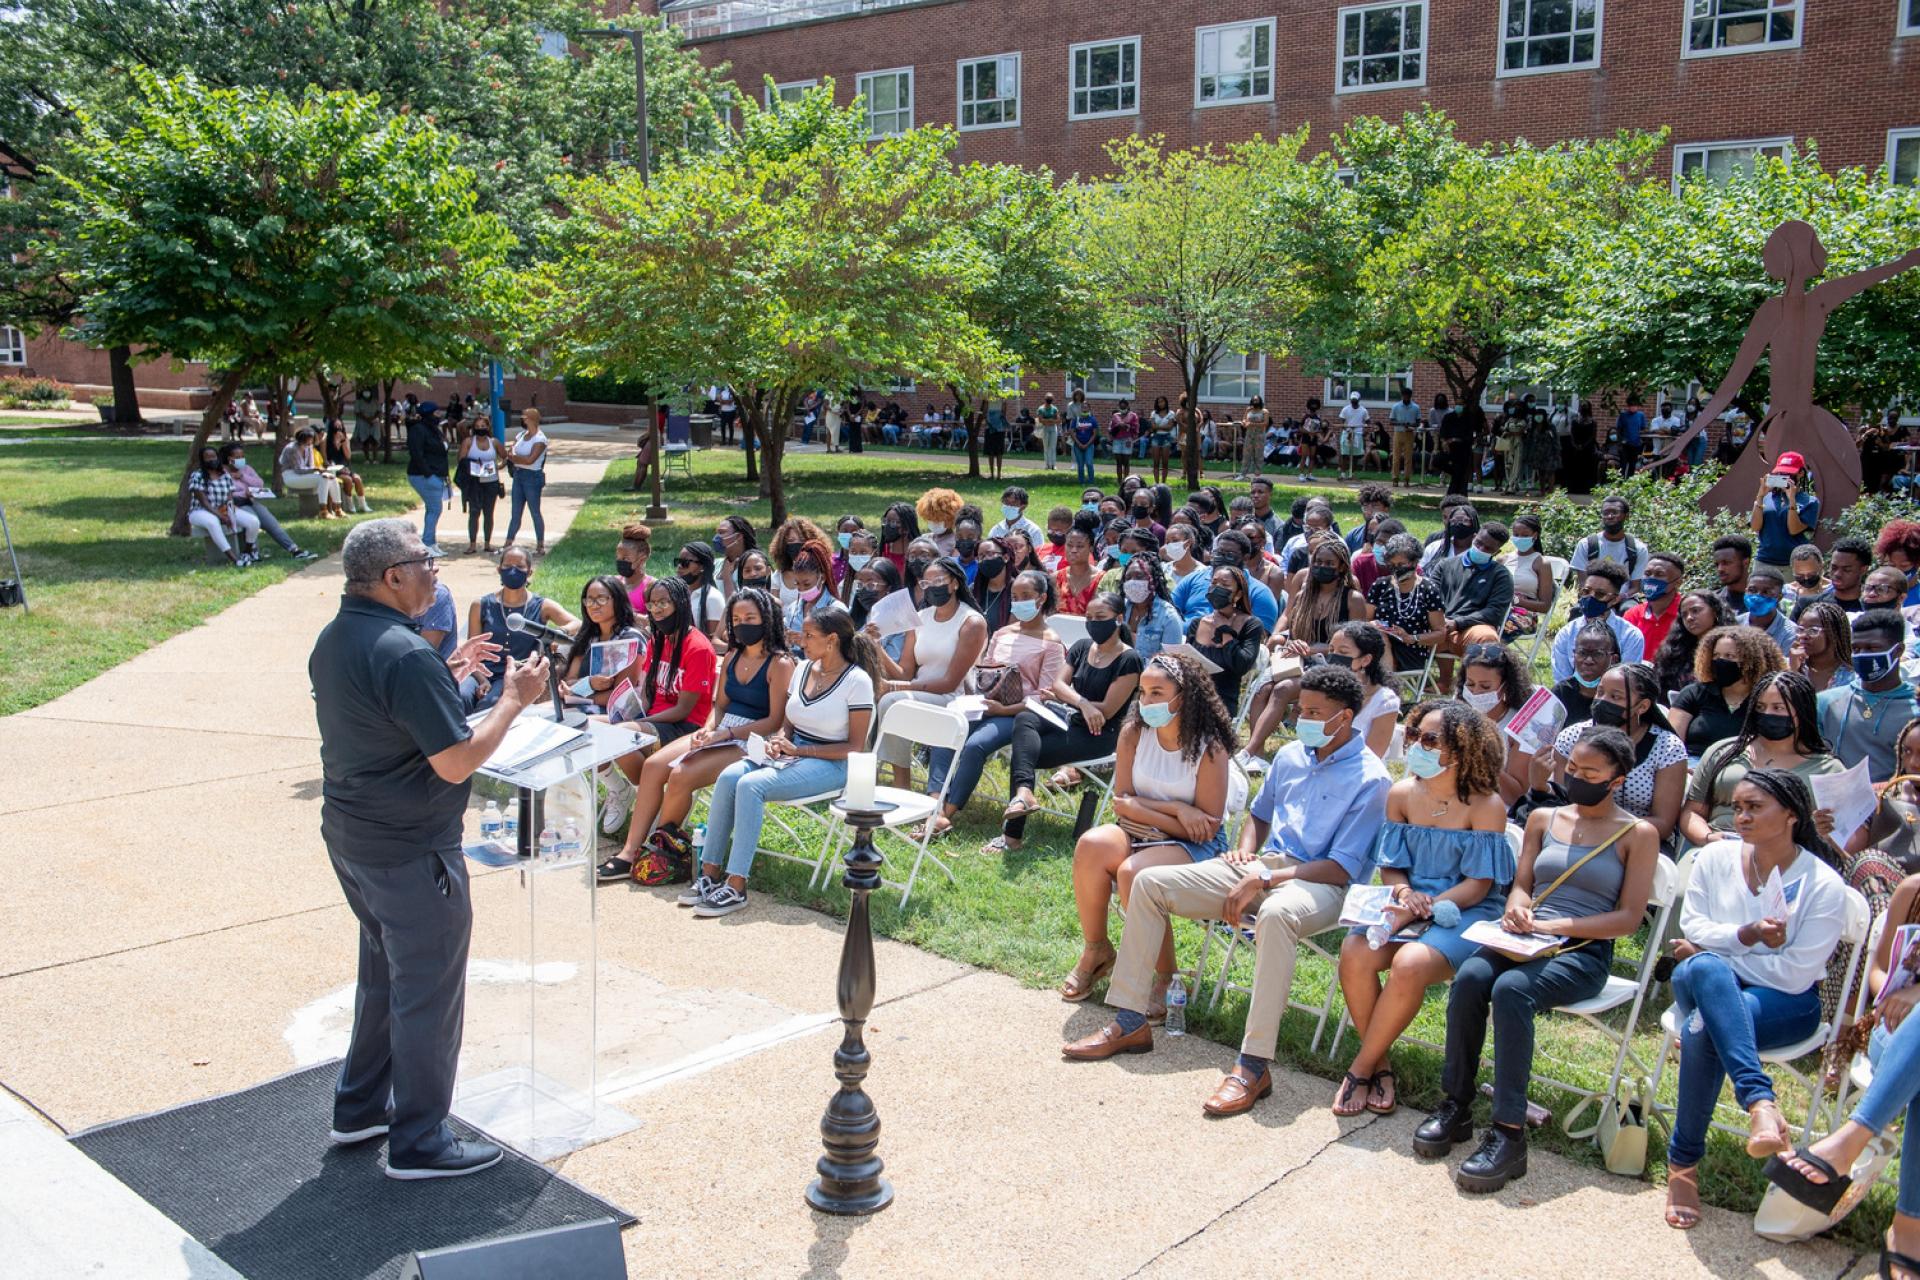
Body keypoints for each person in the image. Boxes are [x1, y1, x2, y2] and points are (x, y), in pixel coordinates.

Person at [310, 518, 548, 1180]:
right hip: (411, 847)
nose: (437, 571)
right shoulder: (405, 655)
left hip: (356, 837)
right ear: (392, 577)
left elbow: (381, 714)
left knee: (386, 974)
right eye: (427, 561)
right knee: (427, 990)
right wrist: (511, 699)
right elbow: (456, 761)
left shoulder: (340, 638)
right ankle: (419, 1140)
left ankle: (360, 1108)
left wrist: (442, 677)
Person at [1064, 665, 1390, 1120]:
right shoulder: (1292, 756)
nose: (1303, 719)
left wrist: (1268, 879)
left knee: (1277, 915)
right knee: (1148, 882)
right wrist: (1244, 855)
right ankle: (1132, 1020)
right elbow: (1259, 815)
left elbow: (1342, 866)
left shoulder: (1372, 779)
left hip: (1322, 884)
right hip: (1261, 868)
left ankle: (1254, 1065)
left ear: (1347, 717)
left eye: (1316, 712)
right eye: (1301, 709)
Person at [1419, 727, 1660, 1194]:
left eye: (1591, 773)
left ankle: (1509, 1134)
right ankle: (1456, 1105)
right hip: (1525, 937)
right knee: (1470, 977)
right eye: (1573, 769)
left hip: (1582, 952)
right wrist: (1518, 906)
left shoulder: (1638, 833)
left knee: (1511, 991)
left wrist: (1554, 928)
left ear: (1617, 780)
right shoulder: (1544, 819)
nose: (1577, 778)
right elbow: (1523, 883)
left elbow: (1628, 919)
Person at [1661, 770, 1850, 1229]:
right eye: (1738, 807)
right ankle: (1760, 1103)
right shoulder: (1713, 858)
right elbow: (1695, 927)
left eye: (1754, 808)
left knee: (1702, 1026)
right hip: (1699, 981)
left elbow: (1795, 973)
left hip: (1785, 1002)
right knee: (1704, 970)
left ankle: (1682, 1166)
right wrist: (1743, 936)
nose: (1741, 817)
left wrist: (1718, 955)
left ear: (1791, 815)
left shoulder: (1822, 884)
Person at [1334, 701, 1512, 1117]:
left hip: (1464, 908)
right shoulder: (1402, 794)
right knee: (1355, 952)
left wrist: (1423, 907)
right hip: (1409, 899)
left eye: (1430, 739)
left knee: (1411, 963)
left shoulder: (1486, 806)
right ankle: (1381, 1064)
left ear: (1462, 748)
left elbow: (1479, 884)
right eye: (1413, 735)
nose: (1417, 744)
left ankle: (1361, 1068)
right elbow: (1392, 866)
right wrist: (1402, 895)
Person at [1057, 653, 1240, 1014]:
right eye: (1142, 692)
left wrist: (1150, 811)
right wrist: (1177, 809)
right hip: (1139, 831)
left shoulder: (1209, 748)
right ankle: (1096, 949)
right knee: (1092, 844)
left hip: (1193, 846)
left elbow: (1205, 827)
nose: (1147, 702)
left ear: (1184, 696)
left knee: (1134, 872)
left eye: (1157, 692)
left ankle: (1167, 976)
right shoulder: (1134, 733)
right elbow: (1122, 802)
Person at [1763, 869, 1920, 1274]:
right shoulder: (1913, 889)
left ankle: (1848, 1142)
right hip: (1900, 1034)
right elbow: (1878, 970)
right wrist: (1900, 994)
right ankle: (1908, 1230)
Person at [685, 610, 878, 918]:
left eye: (809, 636)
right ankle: (709, 873)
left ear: (832, 641)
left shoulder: (857, 681)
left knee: (751, 785)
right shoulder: (803, 668)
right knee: (729, 776)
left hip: (833, 763)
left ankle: (737, 885)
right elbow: (787, 723)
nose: (801, 640)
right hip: (793, 752)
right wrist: (778, 740)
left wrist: (801, 752)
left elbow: (854, 746)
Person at [600, 590, 795, 880]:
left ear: (766, 619)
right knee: (654, 767)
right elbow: (719, 706)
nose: (743, 624)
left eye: (750, 618)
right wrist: (708, 728)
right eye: (737, 619)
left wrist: (725, 732)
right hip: (720, 730)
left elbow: (773, 720)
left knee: (680, 774)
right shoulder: (731, 656)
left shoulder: (780, 663)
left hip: (752, 739)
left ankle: (658, 851)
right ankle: (629, 852)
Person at [918, 572, 1070, 838]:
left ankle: (945, 814)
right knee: (946, 730)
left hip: (1017, 713)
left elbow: (1044, 696)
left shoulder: (1052, 643)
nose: (1018, 602)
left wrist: (1003, 710)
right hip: (985, 703)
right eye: (1014, 597)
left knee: (976, 745)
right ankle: (935, 802)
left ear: (1042, 598)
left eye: (1026, 597)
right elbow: (984, 670)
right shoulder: (1001, 633)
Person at [992, 594, 1144, 852]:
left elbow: (1107, 710)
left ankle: (1012, 833)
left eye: (1100, 618)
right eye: (1089, 618)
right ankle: (1024, 796)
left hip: (1099, 734)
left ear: (1119, 620)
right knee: (1026, 718)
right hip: (1069, 718)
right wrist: (1083, 704)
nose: (1093, 623)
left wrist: (1070, 699)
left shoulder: (1129, 660)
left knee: (1026, 752)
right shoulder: (1083, 647)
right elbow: (1057, 684)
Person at [1680, 671, 1843, 846]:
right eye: (1760, 707)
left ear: (1802, 712)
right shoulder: (1723, 752)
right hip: (1717, 849)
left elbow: (1843, 834)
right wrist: (1708, 838)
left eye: (1778, 708)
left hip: (1787, 858)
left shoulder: (1829, 769)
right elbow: (1693, 812)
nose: (1767, 713)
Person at [869, 557, 988, 788]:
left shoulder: (972, 622)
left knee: (892, 701)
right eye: (925, 583)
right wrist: (877, 647)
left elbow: (949, 682)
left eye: (938, 581)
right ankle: (880, 774)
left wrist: (894, 687)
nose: (932, 587)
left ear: (954, 584)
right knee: (883, 699)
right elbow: (904, 673)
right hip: (918, 694)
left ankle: (901, 783)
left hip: (953, 698)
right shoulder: (920, 619)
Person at [1546, 663, 1688, 844]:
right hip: (1573, 834)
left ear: (1643, 706)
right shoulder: (1572, 737)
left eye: (1615, 697)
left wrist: (1604, 830)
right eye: (1600, 692)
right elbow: (1561, 801)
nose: (1603, 700)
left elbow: (1663, 823)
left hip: (1639, 840)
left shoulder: (1667, 748)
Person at [462, 545, 576, 710]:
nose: (513, 571)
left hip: (515, 673)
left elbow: (576, 622)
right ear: (499, 570)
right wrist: (482, 680)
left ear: (529, 572)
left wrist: (559, 633)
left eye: (520, 567)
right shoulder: (480, 605)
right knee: (459, 697)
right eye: (507, 566)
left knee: (490, 704)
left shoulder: (542, 605)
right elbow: (472, 653)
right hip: (480, 672)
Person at [1820, 610, 1919, 781]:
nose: (1862, 655)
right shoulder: (1825, 702)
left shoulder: (1915, 706)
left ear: (1898, 651)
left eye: (1872, 648)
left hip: (1893, 803)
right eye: (1856, 649)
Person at [1671, 624, 1786, 759]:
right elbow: (1672, 744)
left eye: (1729, 656)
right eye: (1716, 655)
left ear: (1752, 660)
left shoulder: (1767, 698)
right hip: (1693, 766)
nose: (1720, 661)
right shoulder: (1694, 693)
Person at [1427, 521, 1514, 692]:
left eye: (1488, 548)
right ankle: (1444, 681)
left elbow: (1494, 612)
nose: (1481, 549)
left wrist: (1458, 623)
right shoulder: (1445, 565)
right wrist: (1440, 620)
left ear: (1497, 552)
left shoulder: (1501, 575)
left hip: (1470, 629)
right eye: (1479, 543)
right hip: (1439, 626)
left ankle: (1474, 688)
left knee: (1487, 638)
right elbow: (1429, 596)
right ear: (1474, 537)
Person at [1184, 561, 1268, 718]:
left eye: (1224, 584)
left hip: (1222, 699)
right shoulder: (1198, 623)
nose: (1217, 588)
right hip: (1191, 694)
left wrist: (1226, 632)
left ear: (1237, 594)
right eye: (1214, 583)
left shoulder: (1251, 624)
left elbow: (1241, 665)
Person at [559, 575, 646, 714]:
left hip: (617, 713)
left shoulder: (631, 639)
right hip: (579, 703)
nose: (594, 605)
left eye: (601, 599)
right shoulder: (588, 637)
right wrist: (589, 683)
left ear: (617, 600)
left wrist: (578, 695)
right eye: (589, 600)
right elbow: (569, 681)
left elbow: (621, 696)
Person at [220, 442, 318, 561]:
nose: (241, 460)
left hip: (250, 500)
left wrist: (243, 477)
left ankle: (294, 550)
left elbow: (259, 483)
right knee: (252, 518)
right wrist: (244, 492)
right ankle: (252, 552)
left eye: (242, 456)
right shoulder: (222, 473)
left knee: (271, 522)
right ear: (229, 459)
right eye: (238, 457)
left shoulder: (246, 469)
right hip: (236, 504)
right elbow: (226, 492)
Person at [1366, 533, 1446, 675]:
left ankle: (1387, 684)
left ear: (1415, 562)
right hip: (1376, 644)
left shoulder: (1428, 589)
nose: (1397, 569)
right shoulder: (1380, 585)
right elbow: (1364, 621)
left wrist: (1411, 638)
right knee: (1377, 637)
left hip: (1410, 648)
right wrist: (1375, 625)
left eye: (1401, 564)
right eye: (1392, 565)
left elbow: (1440, 634)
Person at [1550, 562, 1646, 681]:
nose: (1591, 597)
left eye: (1600, 594)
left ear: (1615, 599)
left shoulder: (1630, 636)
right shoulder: (1566, 634)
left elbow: (1626, 682)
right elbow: (1561, 680)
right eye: (1586, 591)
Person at [187, 443, 262, 568]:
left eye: (214, 457)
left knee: (253, 521)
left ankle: (246, 553)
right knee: (212, 522)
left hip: (223, 508)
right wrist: (221, 517)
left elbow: (229, 500)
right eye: (208, 458)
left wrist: (231, 514)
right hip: (200, 511)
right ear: (202, 460)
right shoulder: (197, 476)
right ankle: (234, 559)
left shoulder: (225, 475)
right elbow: (204, 502)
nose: (212, 460)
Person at [1654, 590, 1737, 700]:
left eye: (1696, 611)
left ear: (1715, 611)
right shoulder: (1674, 653)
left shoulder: (1735, 648)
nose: (1689, 618)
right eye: (1684, 615)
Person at [1117, 551, 1184, 661]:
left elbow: (1170, 662)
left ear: (1154, 581)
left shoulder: (1168, 617)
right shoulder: (1120, 608)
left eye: (1139, 576)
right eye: (1128, 577)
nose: (1133, 582)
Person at [499, 409, 548, 553]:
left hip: (532, 477)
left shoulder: (540, 439)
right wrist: (512, 458)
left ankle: (540, 544)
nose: (522, 420)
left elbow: (530, 460)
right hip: (519, 475)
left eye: (524, 418)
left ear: (531, 419)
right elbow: (510, 452)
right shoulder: (520, 435)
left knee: (535, 511)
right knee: (515, 512)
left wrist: (515, 458)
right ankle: (508, 542)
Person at [1554, 622, 1621, 729]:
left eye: (1598, 654)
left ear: (1614, 659)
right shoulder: (1561, 692)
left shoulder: (1620, 697)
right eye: (1582, 653)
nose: (1588, 660)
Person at [1499, 514, 1556, 640]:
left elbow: (1545, 606)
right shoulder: (1503, 560)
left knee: (1498, 630)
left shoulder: (1541, 563)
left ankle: (1490, 655)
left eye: (1525, 535)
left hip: (1523, 614)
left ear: (1535, 535)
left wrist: (1518, 601)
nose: (1519, 538)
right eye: (1516, 534)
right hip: (1499, 607)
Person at [1789, 600, 1858, 694]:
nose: (1803, 636)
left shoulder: (1852, 677)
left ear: (1833, 634)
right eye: (1800, 630)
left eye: (1813, 631)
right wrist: (1794, 671)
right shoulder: (1787, 667)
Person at [1625, 552, 1686, 655]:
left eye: (1659, 574)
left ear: (1678, 582)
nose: (1651, 578)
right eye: (1647, 574)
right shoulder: (1633, 615)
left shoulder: (1687, 613)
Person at [456, 422, 501, 554]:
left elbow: (505, 456)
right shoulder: (468, 442)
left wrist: (498, 466)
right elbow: (461, 460)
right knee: (474, 512)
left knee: (489, 513)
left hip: (491, 482)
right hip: (474, 482)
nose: (481, 429)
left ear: (488, 427)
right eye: (478, 426)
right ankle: (472, 544)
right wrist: (473, 466)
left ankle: (487, 543)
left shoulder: (494, 442)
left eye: (484, 426)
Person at [285, 425, 347, 520]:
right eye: (308, 440)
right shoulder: (292, 449)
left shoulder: (309, 447)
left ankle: (338, 509)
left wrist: (319, 470)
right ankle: (323, 511)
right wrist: (316, 470)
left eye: (311, 440)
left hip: (306, 474)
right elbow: (298, 470)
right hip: (291, 476)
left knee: (330, 477)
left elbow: (311, 465)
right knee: (323, 478)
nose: (310, 443)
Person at [1743, 566, 1799, 652]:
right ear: (1745, 591)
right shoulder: (1734, 623)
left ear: (1779, 597)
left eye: (1766, 592)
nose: (1758, 596)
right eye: (1752, 590)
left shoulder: (1790, 633)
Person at [1784, 544, 1834, 617]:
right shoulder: (1786, 592)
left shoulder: (1833, 590)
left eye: (1811, 574)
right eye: (1800, 576)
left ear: (1821, 566)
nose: (1806, 578)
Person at [712, 515, 756, 596]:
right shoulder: (715, 564)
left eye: (722, 532)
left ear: (738, 537)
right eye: (717, 532)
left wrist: (727, 576)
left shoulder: (754, 568)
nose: (716, 538)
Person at [1828, 536, 1873, 614]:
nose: (1837, 574)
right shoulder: (1811, 605)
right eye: (1834, 568)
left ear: (1863, 570)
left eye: (1846, 570)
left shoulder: (1871, 610)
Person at [1713, 534, 1754, 614]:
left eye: (1726, 563)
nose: (1720, 569)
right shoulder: (1713, 602)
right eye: (1717, 564)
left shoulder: (1765, 600)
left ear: (1746, 563)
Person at [1388, 386, 1421, 486]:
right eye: (1404, 395)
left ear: (1410, 396)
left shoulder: (1415, 407)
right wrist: (1401, 423)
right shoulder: (1396, 407)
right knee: (1396, 457)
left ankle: (1407, 478)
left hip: (1409, 433)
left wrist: (1410, 424)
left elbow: (1418, 422)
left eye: (1408, 395)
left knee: (1408, 457)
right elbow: (1391, 421)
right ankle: (1395, 478)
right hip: (1398, 432)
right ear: (1402, 396)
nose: (1406, 397)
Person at [1068, 391, 1099, 486]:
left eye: (1086, 407)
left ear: (1089, 408)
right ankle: (1081, 482)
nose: (1084, 408)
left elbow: (1094, 433)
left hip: (1089, 445)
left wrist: (1087, 444)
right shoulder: (1076, 419)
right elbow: (1071, 432)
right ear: (1081, 408)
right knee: (1080, 465)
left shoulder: (1092, 419)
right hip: (1078, 445)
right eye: (1083, 407)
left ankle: (1091, 481)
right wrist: (1079, 443)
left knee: (1089, 463)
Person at [1237, 395, 1269, 481]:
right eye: (1254, 400)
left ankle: (1257, 475)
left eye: (1257, 400)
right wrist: (1244, 422)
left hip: (1259, 436)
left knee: (1258, 455)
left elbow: (1265, 423)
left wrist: (1252, 424)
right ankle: (1242, 474)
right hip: (1249, 435)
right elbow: (1244, 419)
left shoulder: (1264, 411)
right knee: (1246, 455)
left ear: (1260, 401)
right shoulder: (1248, 410)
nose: (1255, 401)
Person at [1107, 398, 1139, 483]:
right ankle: (1119, 480)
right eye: (1121, 406)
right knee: (1118, 462)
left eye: (1124, 406)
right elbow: (1111, 428)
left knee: (1126, 462)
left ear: (1128, 406)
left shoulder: (1133, 415)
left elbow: (1136, 427)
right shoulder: (1115, 416)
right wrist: (1119, 425)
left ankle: (1126, 480)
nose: (1122, 408)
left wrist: (1127, 426)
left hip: (1127, 440)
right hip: (1117, 440)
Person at [1615, 394, 1647, 476]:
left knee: (1633, 465)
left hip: (1636, 444)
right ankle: (1620, 482)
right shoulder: (1623, 415)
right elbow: (1619, 430)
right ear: (1628, 406)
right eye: (1631, 405)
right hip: (1625, 444)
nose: (1633, 407)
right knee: (1623, 465)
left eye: (1635, 405)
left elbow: (1643, 428)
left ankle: (1629, 482)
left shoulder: (1640, 415)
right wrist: (1619, 443)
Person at [1036, 393, 1061, 470]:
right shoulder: (1041, 409)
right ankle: (1047, 464)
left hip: (1053, 428)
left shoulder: (1054, 409)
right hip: (1045, 428)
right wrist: (1050, 420)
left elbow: (1058, 420)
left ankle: (1053, 465)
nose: (1049, 400)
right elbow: (1040, 420)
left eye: (1051, 398)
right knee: (1046, 446)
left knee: (1053, 447)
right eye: (1048, 398)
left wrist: (1049, 421)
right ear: (1045, 399)